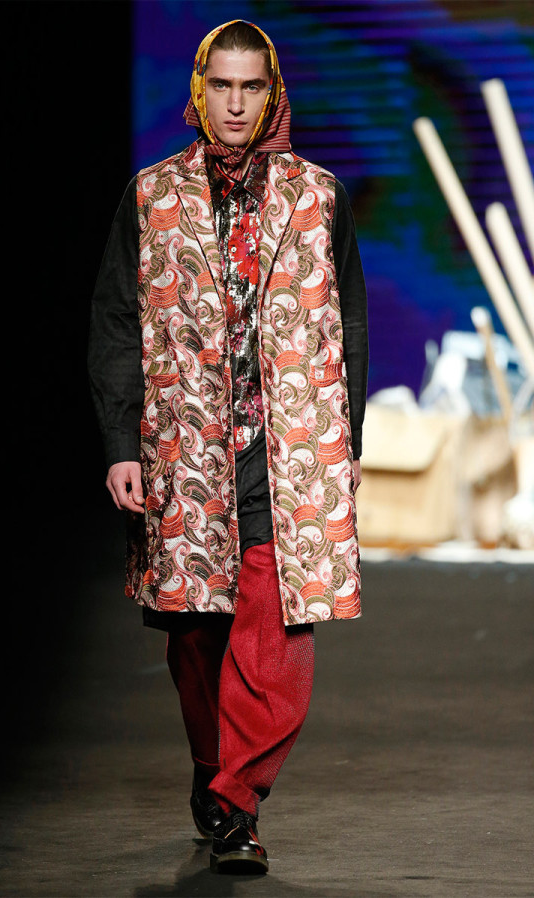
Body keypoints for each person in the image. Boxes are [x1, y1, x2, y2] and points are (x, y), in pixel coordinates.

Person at [88, 19, 369, 875]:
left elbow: (350, 319)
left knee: (277, 624)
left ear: (273, 91)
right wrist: (121, 439)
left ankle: (238, 799)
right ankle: (215, 774)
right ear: (199, 91)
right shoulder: (151, 196)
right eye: (222, 86)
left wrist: (347, 439)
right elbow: (116, 319)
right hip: (183, 443)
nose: (237, 104)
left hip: (288, 444)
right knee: (194, 632)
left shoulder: (318, 195)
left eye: (252, 87)